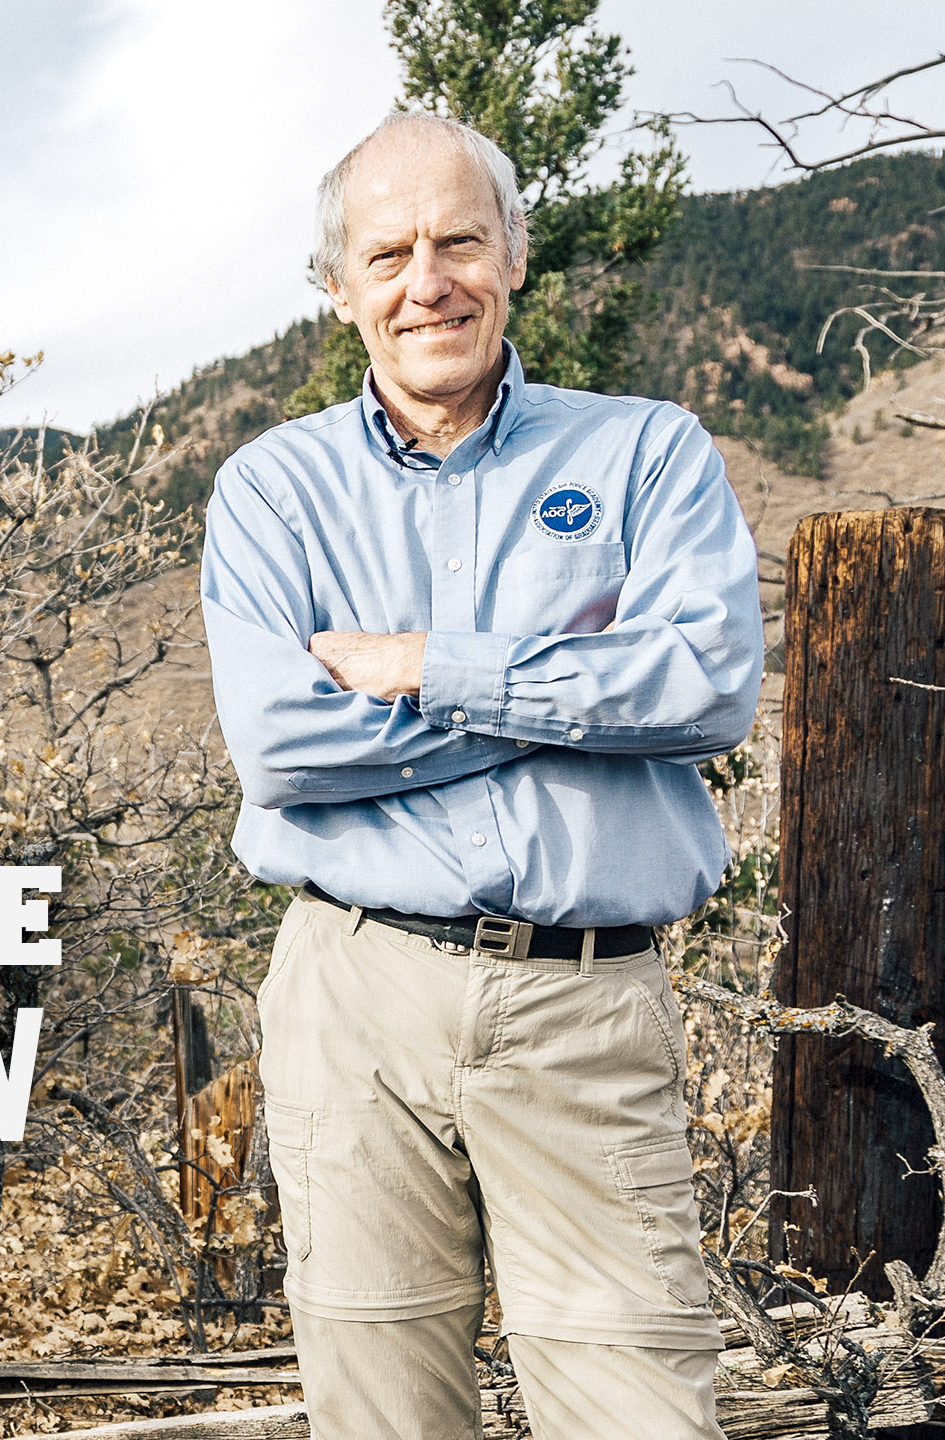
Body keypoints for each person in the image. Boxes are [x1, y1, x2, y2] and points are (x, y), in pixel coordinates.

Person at [200, 110, 761, 1440]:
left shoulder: (646, 453)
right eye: (387, 254)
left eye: (457, 241)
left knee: (639, 1410)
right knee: (385, 1414)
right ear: (338, 288)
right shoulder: (274, 490)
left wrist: (428, 668)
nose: (427, 282)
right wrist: (573, 695)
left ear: (513, 252)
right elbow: (280, 750)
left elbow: (703, 686)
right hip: (356, 992)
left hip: (585, 1002)